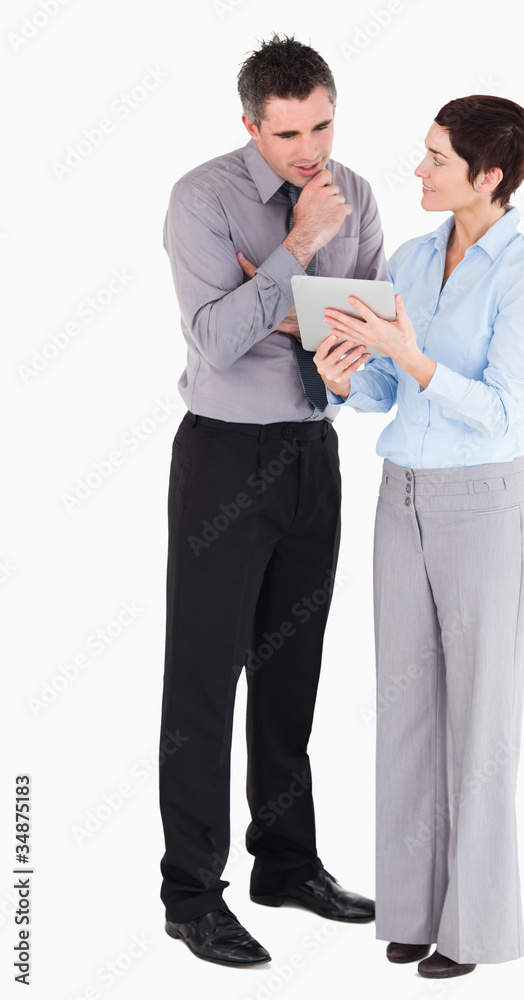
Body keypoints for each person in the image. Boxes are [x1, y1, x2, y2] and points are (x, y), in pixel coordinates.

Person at [315, 95, 524, 979]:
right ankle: (415, 911)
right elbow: (389, 392)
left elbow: (500, 409)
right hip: (400, 498)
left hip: (482, 505)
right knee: (406, 710)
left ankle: (476, 928)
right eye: (422, 155)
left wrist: (415, 359)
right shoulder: (411, 259)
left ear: (486, 176)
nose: (417, 170)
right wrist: (347, 373)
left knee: (481, 720)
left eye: (435, 159)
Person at [158, 34, 384, 968]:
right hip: (222, 460)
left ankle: (285, 863)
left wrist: (275, 294)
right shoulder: (203, 199)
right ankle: (190, 894)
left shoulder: (357, 192)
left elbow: (369, 318)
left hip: (311, 453)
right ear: (250, 123)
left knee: (292, 671)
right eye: (287, 131)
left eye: (322, 124)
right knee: (206, 680)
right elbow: (214, 340)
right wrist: (297, 253)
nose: (309, 150)